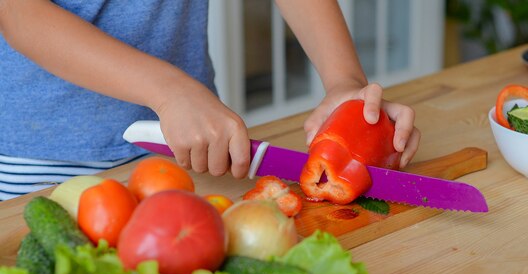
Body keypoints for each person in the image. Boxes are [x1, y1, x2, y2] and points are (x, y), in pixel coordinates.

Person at [0, 0, 420, 201]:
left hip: (186, 155)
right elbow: (19, 13)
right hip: (41, 163)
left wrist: (344, 81)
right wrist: (170, 91)